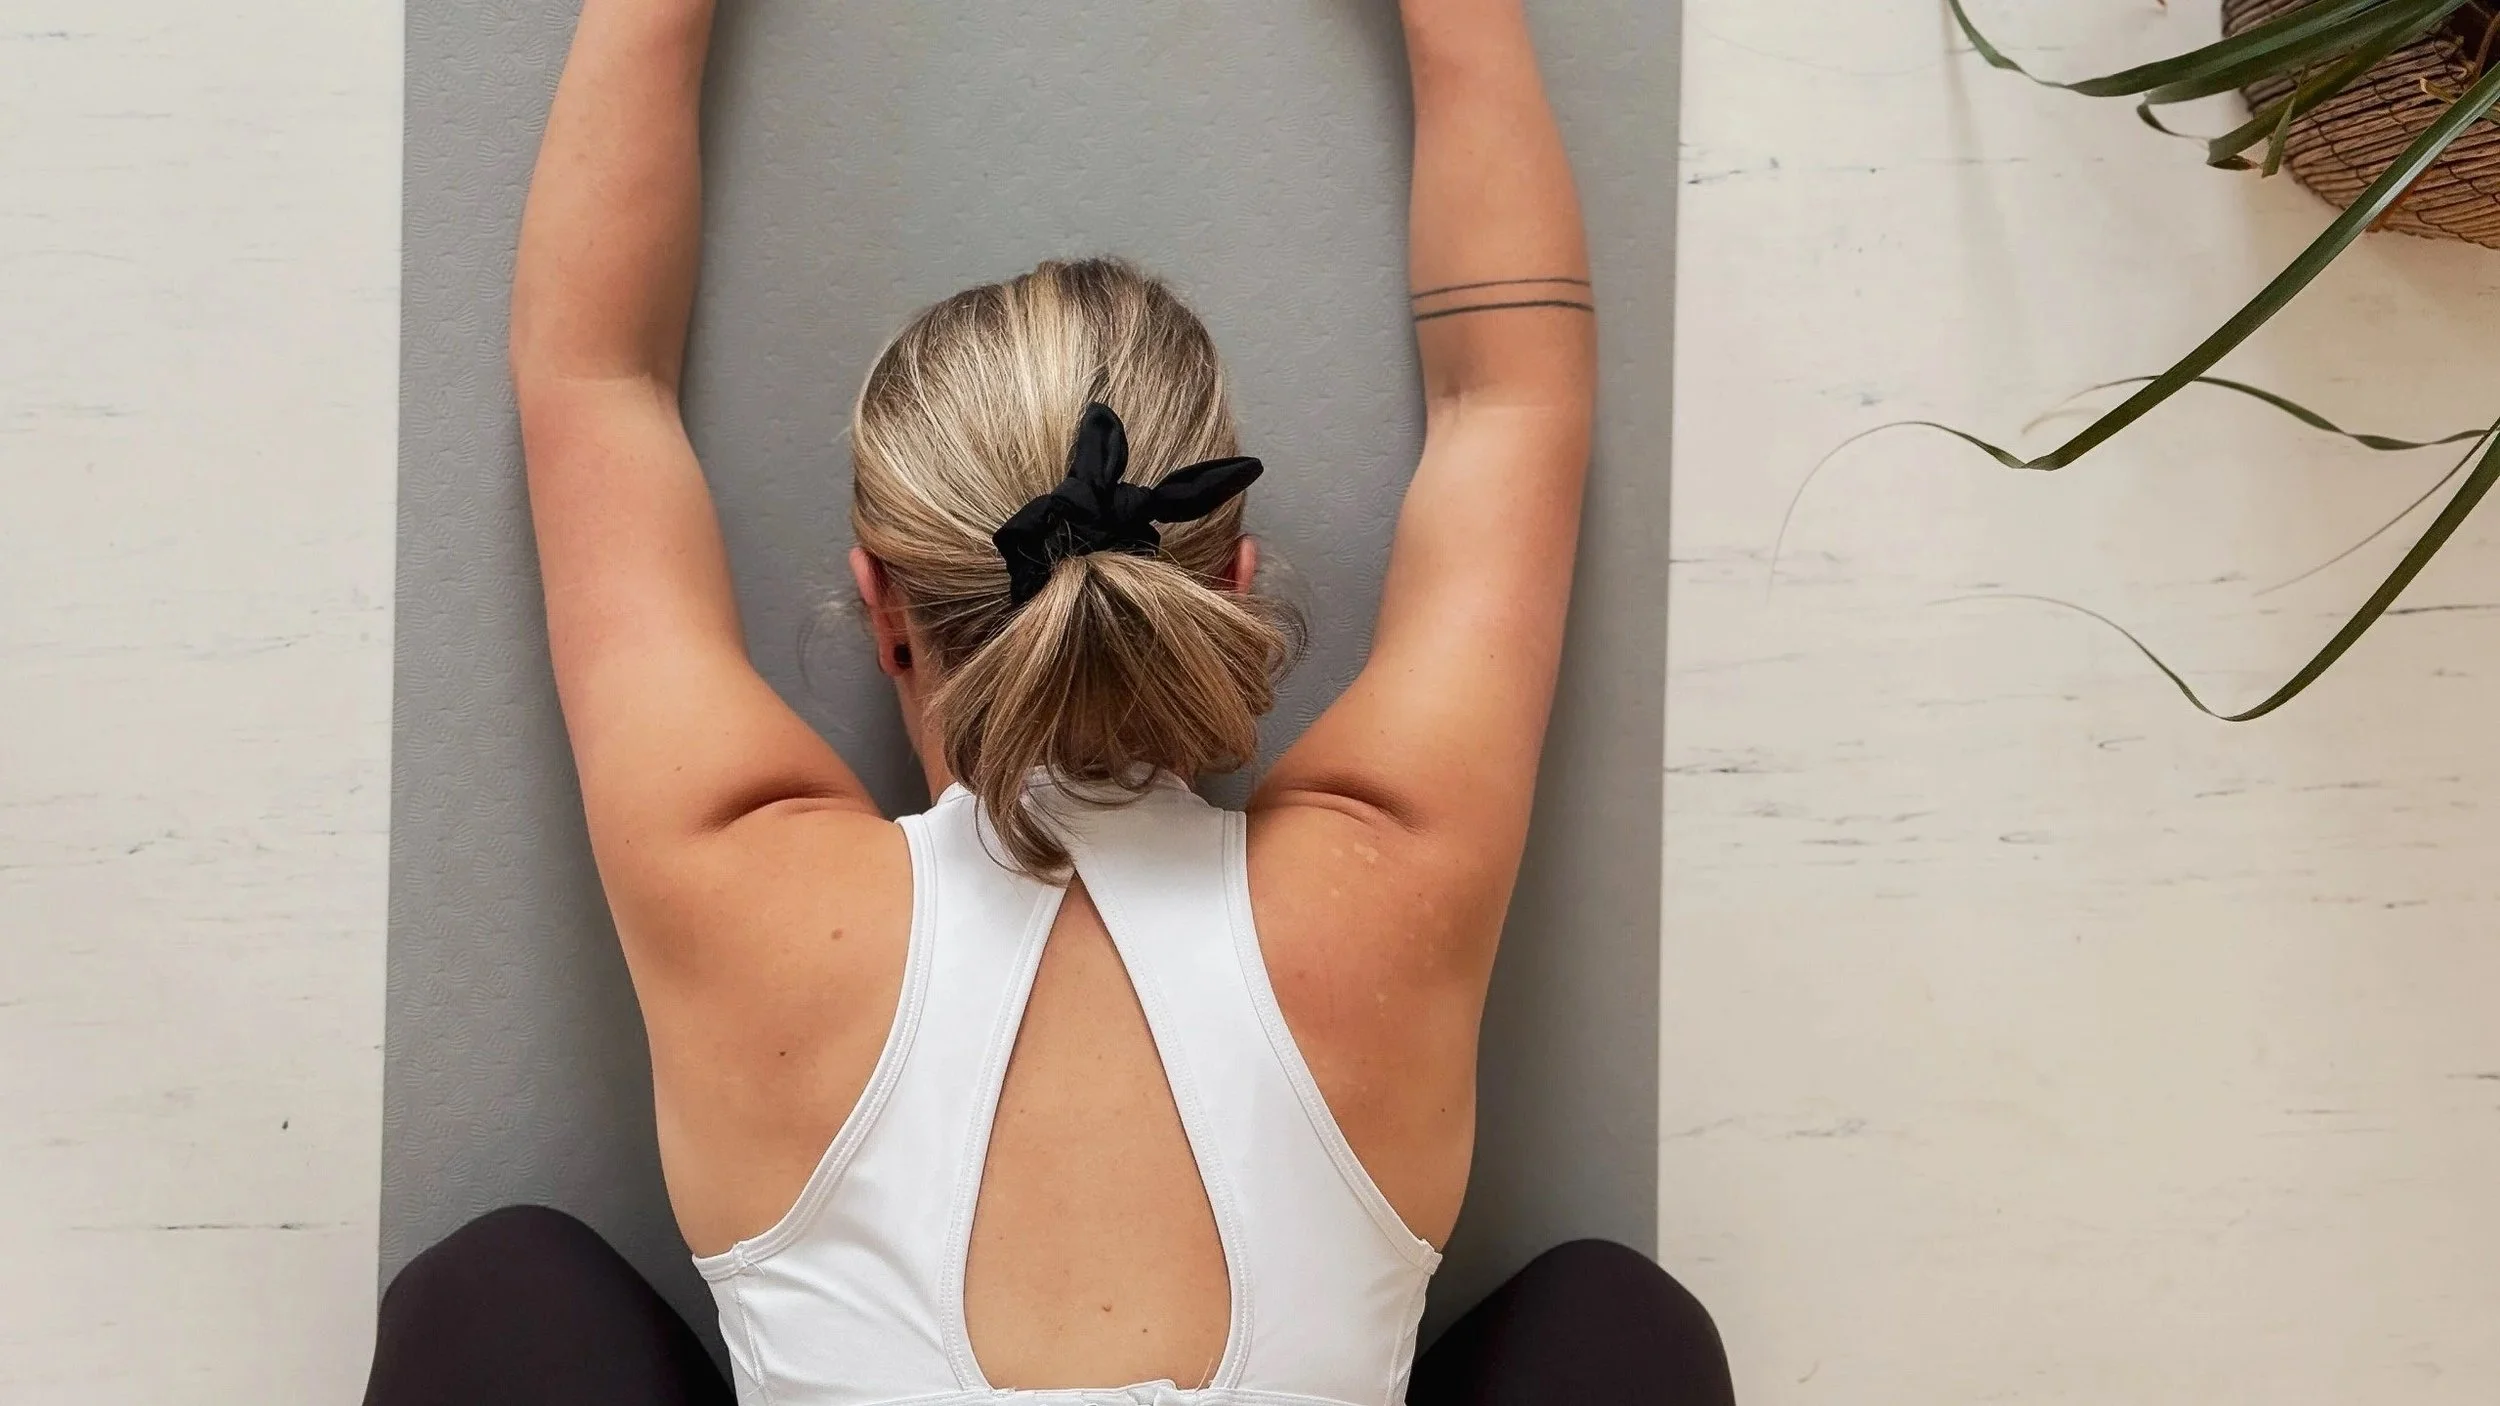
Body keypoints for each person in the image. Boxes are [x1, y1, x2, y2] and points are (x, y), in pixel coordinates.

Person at [366, 0, 1734, 1403]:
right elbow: (1512, 398)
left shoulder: (739, 884)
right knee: (1618, 1326)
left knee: (498, 1294)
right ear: (1234, 575)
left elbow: (592, 381)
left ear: (881, 609)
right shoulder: (1392, 874)